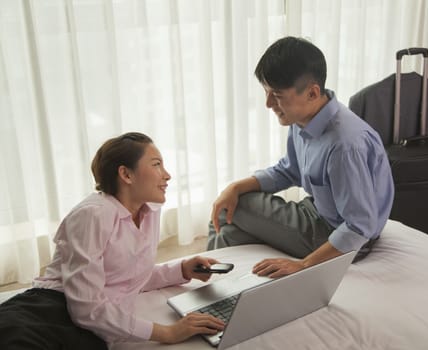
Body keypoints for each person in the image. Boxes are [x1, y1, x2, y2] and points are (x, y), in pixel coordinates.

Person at [0, 132, 224, 349]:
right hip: (45, 313)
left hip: (93, 331)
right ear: (126, 175)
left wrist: (183, 270)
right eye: (156, 165)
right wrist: (168, 332)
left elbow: (124, 278)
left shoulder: (149, 212)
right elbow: (87, 308)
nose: (167, 175)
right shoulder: (94, 214)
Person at [208, 36, 394, 278]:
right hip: (316, 214)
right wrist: (236, 187)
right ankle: (220, 286)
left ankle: (210, 288)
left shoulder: (344, 145)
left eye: (276, 95)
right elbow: (289, 171)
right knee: (229, 230)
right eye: (266, 92)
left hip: (339, 236)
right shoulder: (302, 119)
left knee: (227, 212)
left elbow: (359, 227)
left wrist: (304, 265)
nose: (268, 104)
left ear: (312, 93)